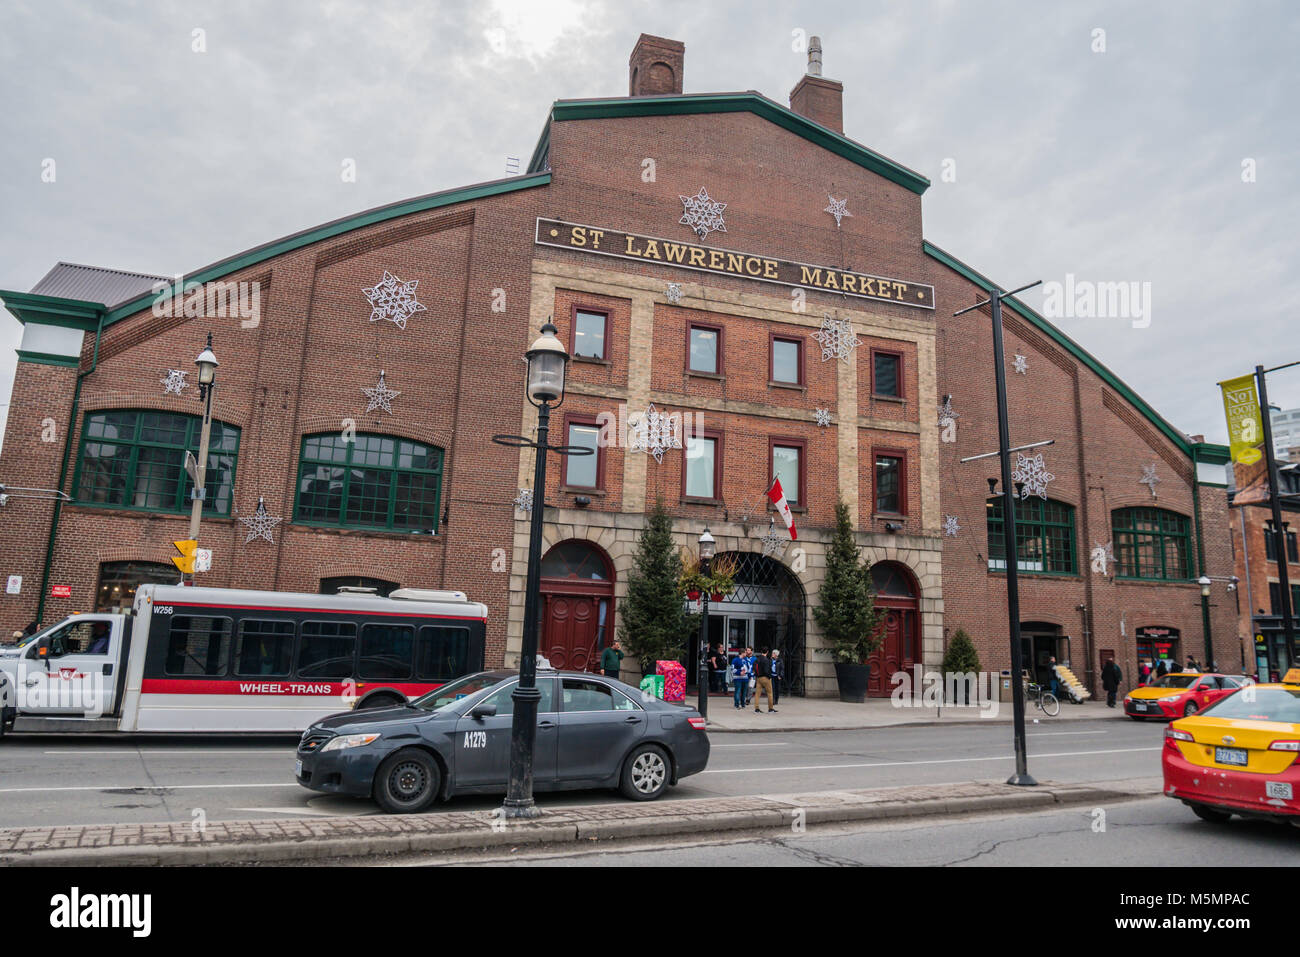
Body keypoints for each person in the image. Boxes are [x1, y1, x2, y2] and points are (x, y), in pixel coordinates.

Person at [752, 647, 777, 713]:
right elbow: (766, 670)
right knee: (770, 693)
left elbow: (754, 668)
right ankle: (770, 708)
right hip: (765, 678)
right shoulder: (766, 660)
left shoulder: (757, 659)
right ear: (767, 652)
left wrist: (756, 675)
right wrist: (769, 677)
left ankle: (756, 709)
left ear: (761, 651)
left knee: (757, 694)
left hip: (758, 678)